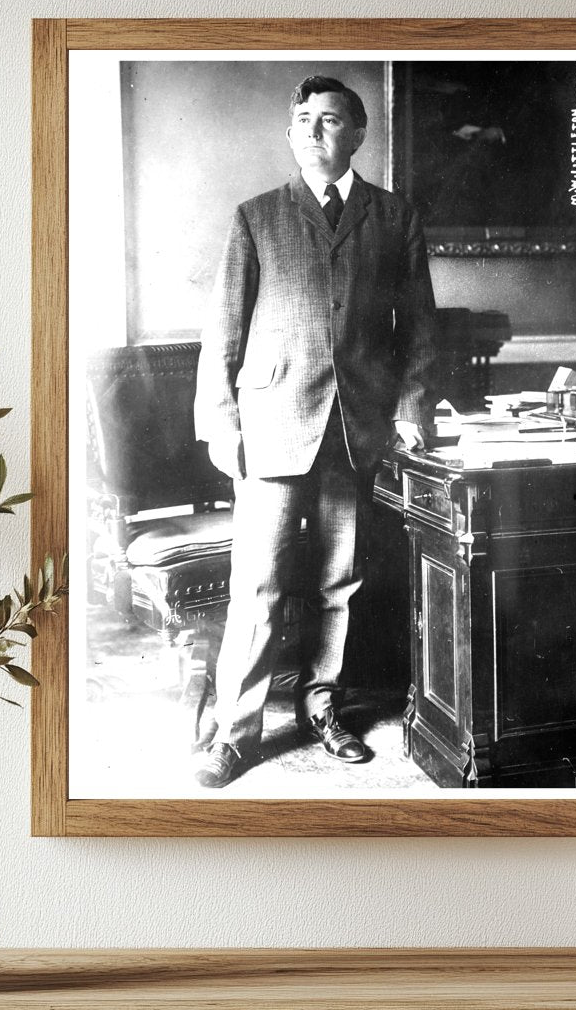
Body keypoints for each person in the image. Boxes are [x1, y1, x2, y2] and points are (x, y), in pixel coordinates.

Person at [192, 75, 436, 788]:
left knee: (340, 583)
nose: (312, 131)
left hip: (355, 429)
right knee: (260, 586)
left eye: (329, 121)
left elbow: (421, 330)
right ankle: (235, 734)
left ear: (358, 136)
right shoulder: (257, 217)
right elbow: (222, 334)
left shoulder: (394, 218)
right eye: (302, 120)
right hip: (271, 427)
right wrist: (220, 423)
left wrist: (411, 408)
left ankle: (321, 707)